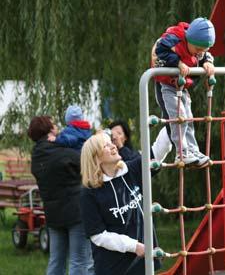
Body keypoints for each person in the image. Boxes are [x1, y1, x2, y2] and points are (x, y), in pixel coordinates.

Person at [80, 131, 168, 275]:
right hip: (113, 267)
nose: (113, 146)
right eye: (106, 146)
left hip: (142, 262)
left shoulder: (131, 170)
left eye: (111, 143)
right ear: (96, 158)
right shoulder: (89, 192)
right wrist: (134, 246)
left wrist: (172, 122)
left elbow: (157, 151)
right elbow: (98, 235)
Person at [28, 116, 92, 275]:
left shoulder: (36, 156)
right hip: (76, 213)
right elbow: (85, 163)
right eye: (54, 124)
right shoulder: (62, 152)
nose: (57, 126)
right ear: (49, 129)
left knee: (56, 260)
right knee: (79, 260)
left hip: (53, 215)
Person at [151, 17, 216, 166]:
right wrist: (177, 62)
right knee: (179, 117)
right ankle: (181, 153)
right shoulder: (175, 38)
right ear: (189, 39)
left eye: (203, 50)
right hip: (166, 85)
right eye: (198, 50)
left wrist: (207, 62)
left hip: (181, 87)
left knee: (188, 118)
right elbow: (159, 49)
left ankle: (192, 150)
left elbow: (205, 55)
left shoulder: (199, 48)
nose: (199, 53)